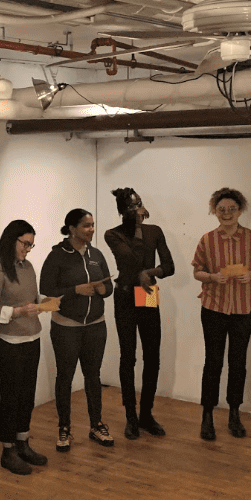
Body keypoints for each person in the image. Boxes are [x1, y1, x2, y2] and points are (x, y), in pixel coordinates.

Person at [191, 188, 251, 441]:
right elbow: (196, 271)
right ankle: (207, 415)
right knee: (212, 363)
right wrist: (212, 277)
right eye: (221, 209)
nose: (226, 214)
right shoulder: (207, 239)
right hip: (214, 307)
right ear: (215, 211)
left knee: (238, 362)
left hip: (244, 308)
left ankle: (235, 413)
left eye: (231, 209)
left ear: (240, 210)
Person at [103, 187, 175, 440]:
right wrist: (136, 228)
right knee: (128, 357)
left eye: (139, 204)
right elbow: (132, 259)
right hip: (124, 294)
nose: (137, 210)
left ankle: (147, 413)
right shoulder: (112, 234)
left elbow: (169, 266)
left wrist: (150, 273)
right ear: (122, 211)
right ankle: (131, 417)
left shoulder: (154, 231)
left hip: (147, 293)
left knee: (152, 355)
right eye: (131, 207)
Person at [40, 208, 114, 452]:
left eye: (92, 225)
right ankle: (64, 428)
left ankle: (96, 425)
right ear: (72, 228)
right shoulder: (57, 256)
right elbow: (47, 289)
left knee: (93, 376)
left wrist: (105, 290)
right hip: (66, 327)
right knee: (66, 377)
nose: (91, 229)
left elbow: (108, 285)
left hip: (95, 325)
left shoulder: (96, 254)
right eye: (86, 225)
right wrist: (76, 290)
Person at [0, 219, 49, 475]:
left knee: (27, 395)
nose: (28, 249)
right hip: (8, 341)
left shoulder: (28, 267)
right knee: (10, 396)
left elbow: (33, 297)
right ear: (11, 240)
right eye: (25, 244)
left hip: (32, 338)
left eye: (31, 245)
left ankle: (23, 441)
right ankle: (7, 449)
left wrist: (46, 303)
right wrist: (18, 311)